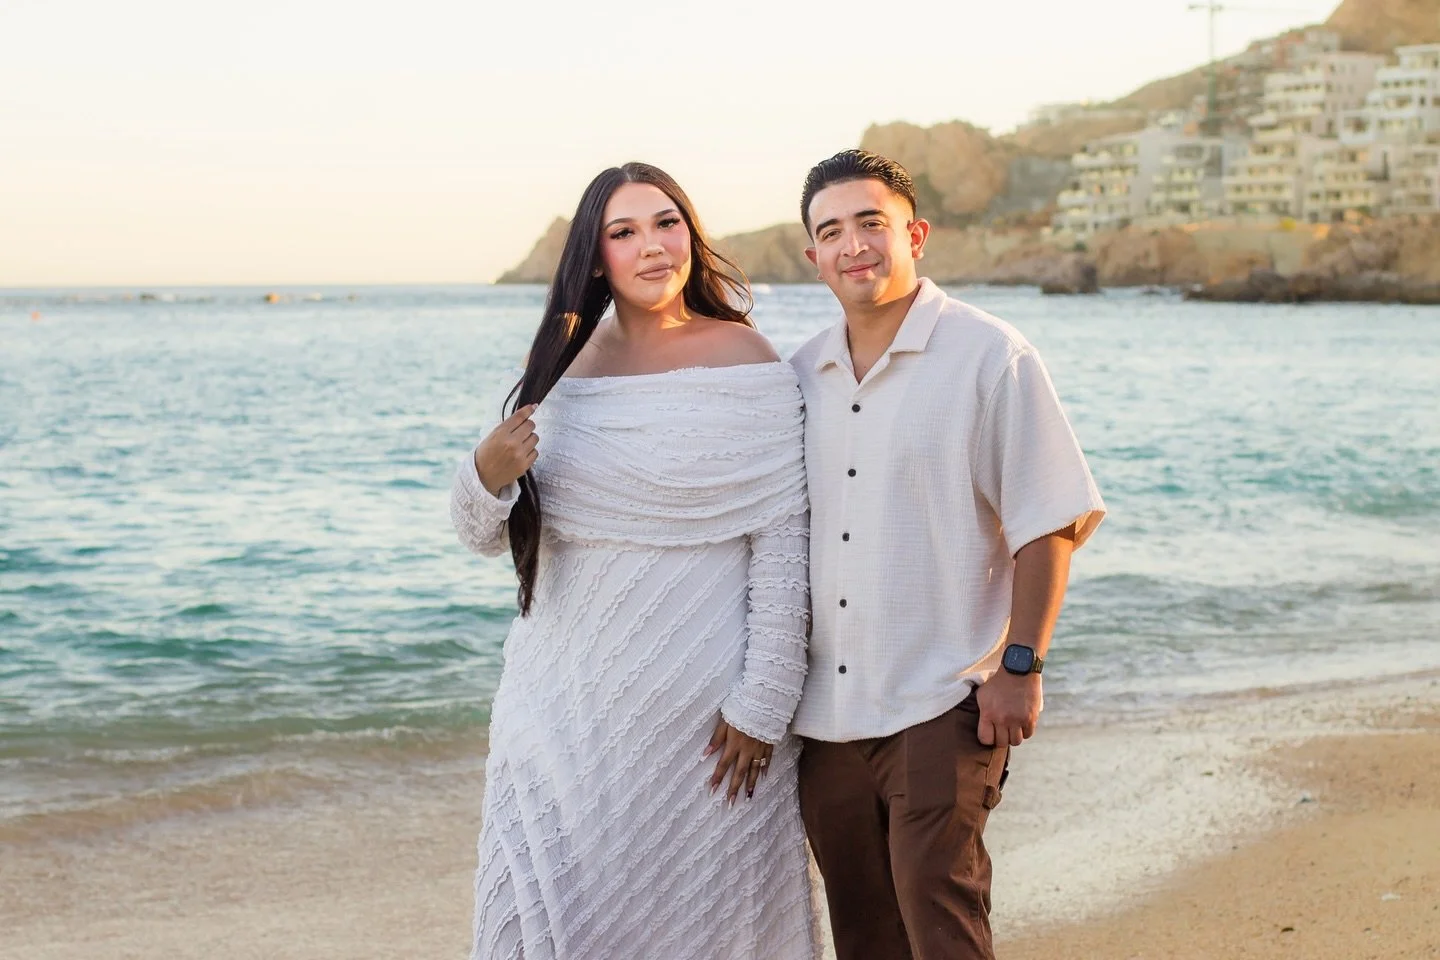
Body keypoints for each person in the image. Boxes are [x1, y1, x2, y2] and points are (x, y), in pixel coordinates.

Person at [449, 162, 819, 960]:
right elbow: (484, 538)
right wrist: (485, 473)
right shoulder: (553, 378)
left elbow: (785, 548)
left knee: (704, 926)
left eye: (666, 223)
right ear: (594, 257)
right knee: (536, 921)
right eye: (624, 232)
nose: (652, 246)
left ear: (691, 233)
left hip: (707, 729)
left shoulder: (747, 360)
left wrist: (763, 705)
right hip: (556, 718)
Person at [789, 149, 1106, 960]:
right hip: (824, 720)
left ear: (915, 234)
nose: (855, 244)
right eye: (833, 231)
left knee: (943, 926)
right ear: (813, 255)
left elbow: (1050, 519)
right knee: (864, 937)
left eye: (872, 223)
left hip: (944, 699)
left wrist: (1023, 666)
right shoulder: (799, 374)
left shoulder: (989, 355)